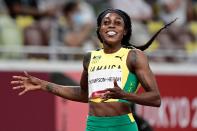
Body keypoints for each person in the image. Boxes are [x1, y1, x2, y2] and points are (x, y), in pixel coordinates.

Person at [11, 9, 170, 131]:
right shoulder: (90, 57)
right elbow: (82, 94)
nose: (111, 25)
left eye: (118, 22)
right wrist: (44, 85)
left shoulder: (134, 56)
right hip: (94, 125)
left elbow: (155, 98)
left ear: (125, 31)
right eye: (106, 22)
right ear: (100, 30)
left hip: (122, 125)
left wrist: (125, 95)